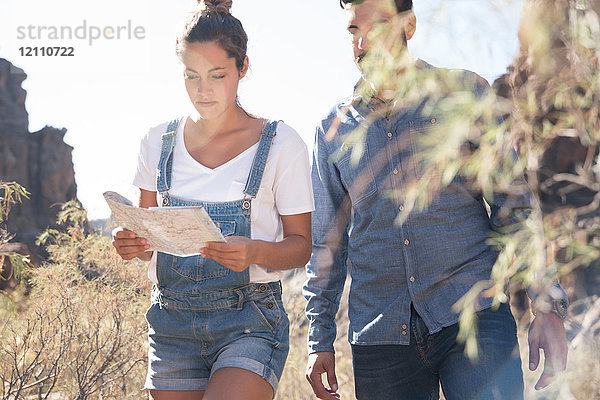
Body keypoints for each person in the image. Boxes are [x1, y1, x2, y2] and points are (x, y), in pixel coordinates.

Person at [303, 1, 569, 399]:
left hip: (474, 317)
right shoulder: (333, 131)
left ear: (409, 26)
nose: (363, 43)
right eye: (354, 30)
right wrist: (318, 338)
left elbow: (512, 205)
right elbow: (327, 245)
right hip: (381, 338)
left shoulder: (464, 94)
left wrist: (545, 304)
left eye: (377, 27)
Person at [111, 1, 314, 399]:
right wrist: (132, 244)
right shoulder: (157, 142)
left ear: (243, 68)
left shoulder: (280, 144)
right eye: (191, 76)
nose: (203, 91)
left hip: (249, 321)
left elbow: (301, 247)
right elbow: (147, 238)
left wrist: (255, 251)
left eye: (217, 75)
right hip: (172, 324)